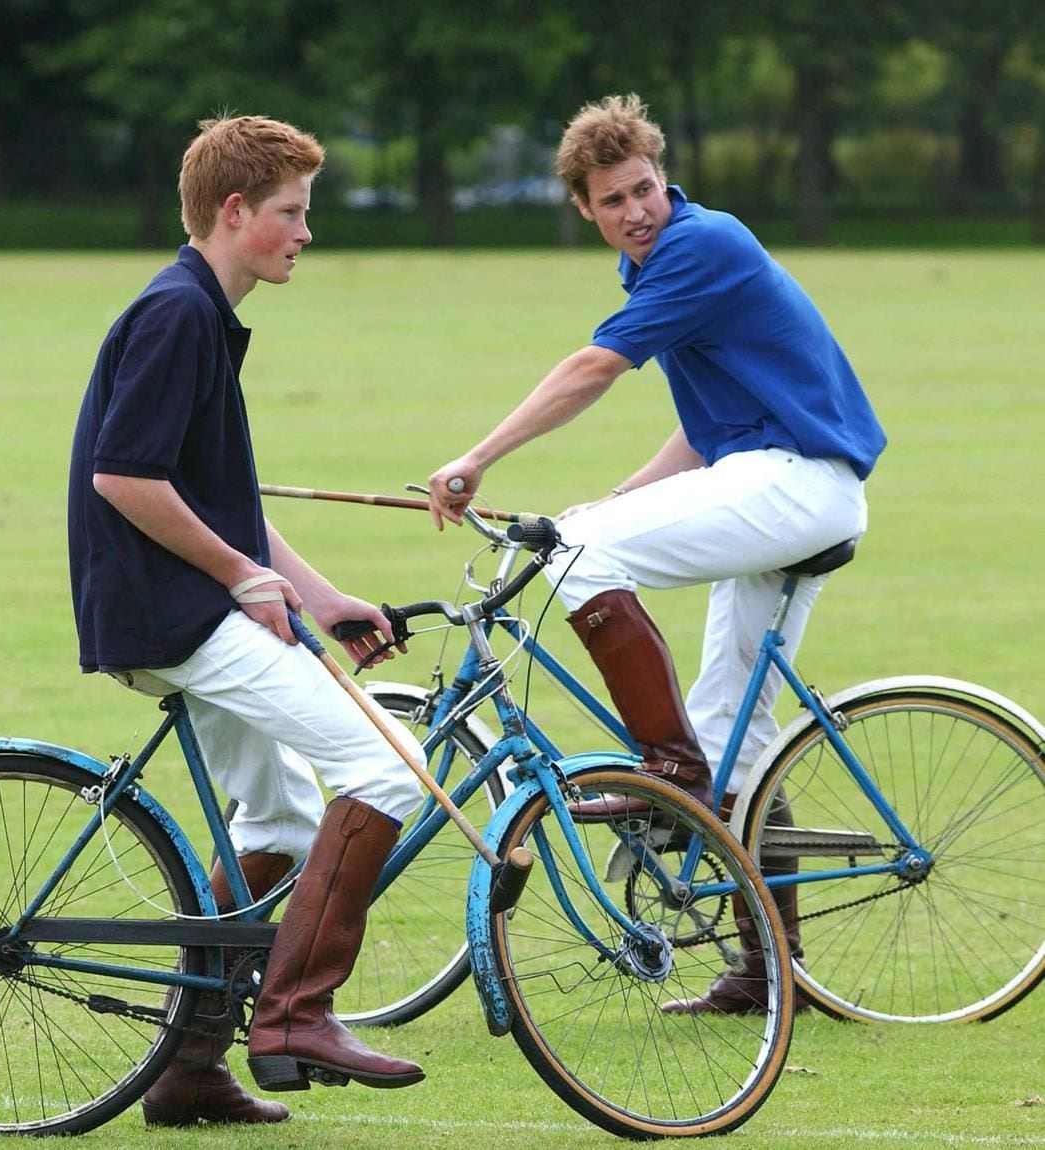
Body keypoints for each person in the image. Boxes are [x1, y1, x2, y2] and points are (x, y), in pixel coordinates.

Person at [427, 94, 886, 1015]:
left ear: (663, 180)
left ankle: (666, 773)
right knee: (737, 738)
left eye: (645, 189)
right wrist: (623, 496)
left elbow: (595, 369)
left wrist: (478, 456)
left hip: (798, 481)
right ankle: (769, 969)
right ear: (585, 210)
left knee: (582, 555)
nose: (637, 209)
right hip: (787, 480)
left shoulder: (698, 244)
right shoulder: (664, 267)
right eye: (614, 200)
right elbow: (706, 424)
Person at [68, 114, 425, 1127]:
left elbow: (220, 494)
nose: (305, 233)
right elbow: (124, 477)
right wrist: (238, 574)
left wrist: (310, 590)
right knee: (386, 769)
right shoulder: (178, 314)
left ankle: (188, 1068)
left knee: (277, 821)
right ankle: (296, 1015)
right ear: (234, 212)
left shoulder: (204, 315)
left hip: (182, 601)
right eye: (290, 213)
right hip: (171, 609)